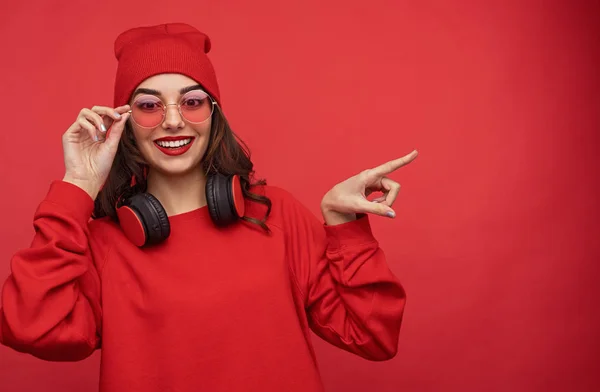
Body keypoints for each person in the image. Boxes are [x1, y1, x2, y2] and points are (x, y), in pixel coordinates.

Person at [0, 22, 418, 392]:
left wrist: (345, 227)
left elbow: (372, 335)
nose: (172, 120)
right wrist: (77, 187)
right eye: (148, 106)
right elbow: (30, 326)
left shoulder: (277, 215)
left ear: (214, 114)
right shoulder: (101, 246)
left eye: (192, 101)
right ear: (124, 123)